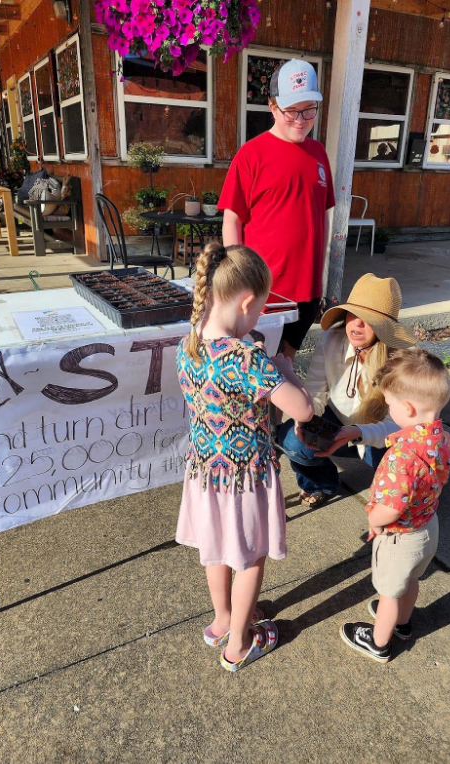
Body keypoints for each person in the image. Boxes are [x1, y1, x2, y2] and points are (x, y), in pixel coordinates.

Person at [176, 241, 314, 672]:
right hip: (244, 477)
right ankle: (239, 643)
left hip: (205, 473)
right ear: (248, 301)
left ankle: (221, 620)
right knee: (250, 556)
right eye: (260, 310)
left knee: (215, 549)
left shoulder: (190, 342)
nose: (259, 320)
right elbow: (303, 410)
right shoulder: (250, 361)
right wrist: (286, 369)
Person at [340, 348, 450, 663]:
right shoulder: (442, 439)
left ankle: (379, 642)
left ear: (407, 407)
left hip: (399, 535)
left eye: (390, 405)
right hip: (428, 527)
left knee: (389, 593)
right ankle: (402, 622)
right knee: (411, 580)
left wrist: (375, 521)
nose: (388, 411)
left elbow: (391, 506)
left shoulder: (404, 456)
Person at [218, 59, 335, 359]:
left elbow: (321, 214)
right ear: (272, 106)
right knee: (258, 366)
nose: (301, 119)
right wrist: (239, 278)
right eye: (291, 111)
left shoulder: (319, 153)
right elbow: (232, 220)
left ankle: (283, 405)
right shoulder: (251, 155)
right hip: (265, 292)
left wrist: (321, 274)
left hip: (307, 289)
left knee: (285, 362)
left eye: (309, 109)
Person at [277, 273, 417, 508]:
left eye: (369, 319)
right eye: (353, 314)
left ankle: (402, 489)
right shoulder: (331, 340)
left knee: (405, 476)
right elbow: (315, 391)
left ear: (384, 327)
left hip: (380, 434)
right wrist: (306, 417)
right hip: (338, 424)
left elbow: (401, 426)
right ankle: (321, 483)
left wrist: (357, 432)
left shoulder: (403, 358)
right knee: (292, 439)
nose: (358, 324)